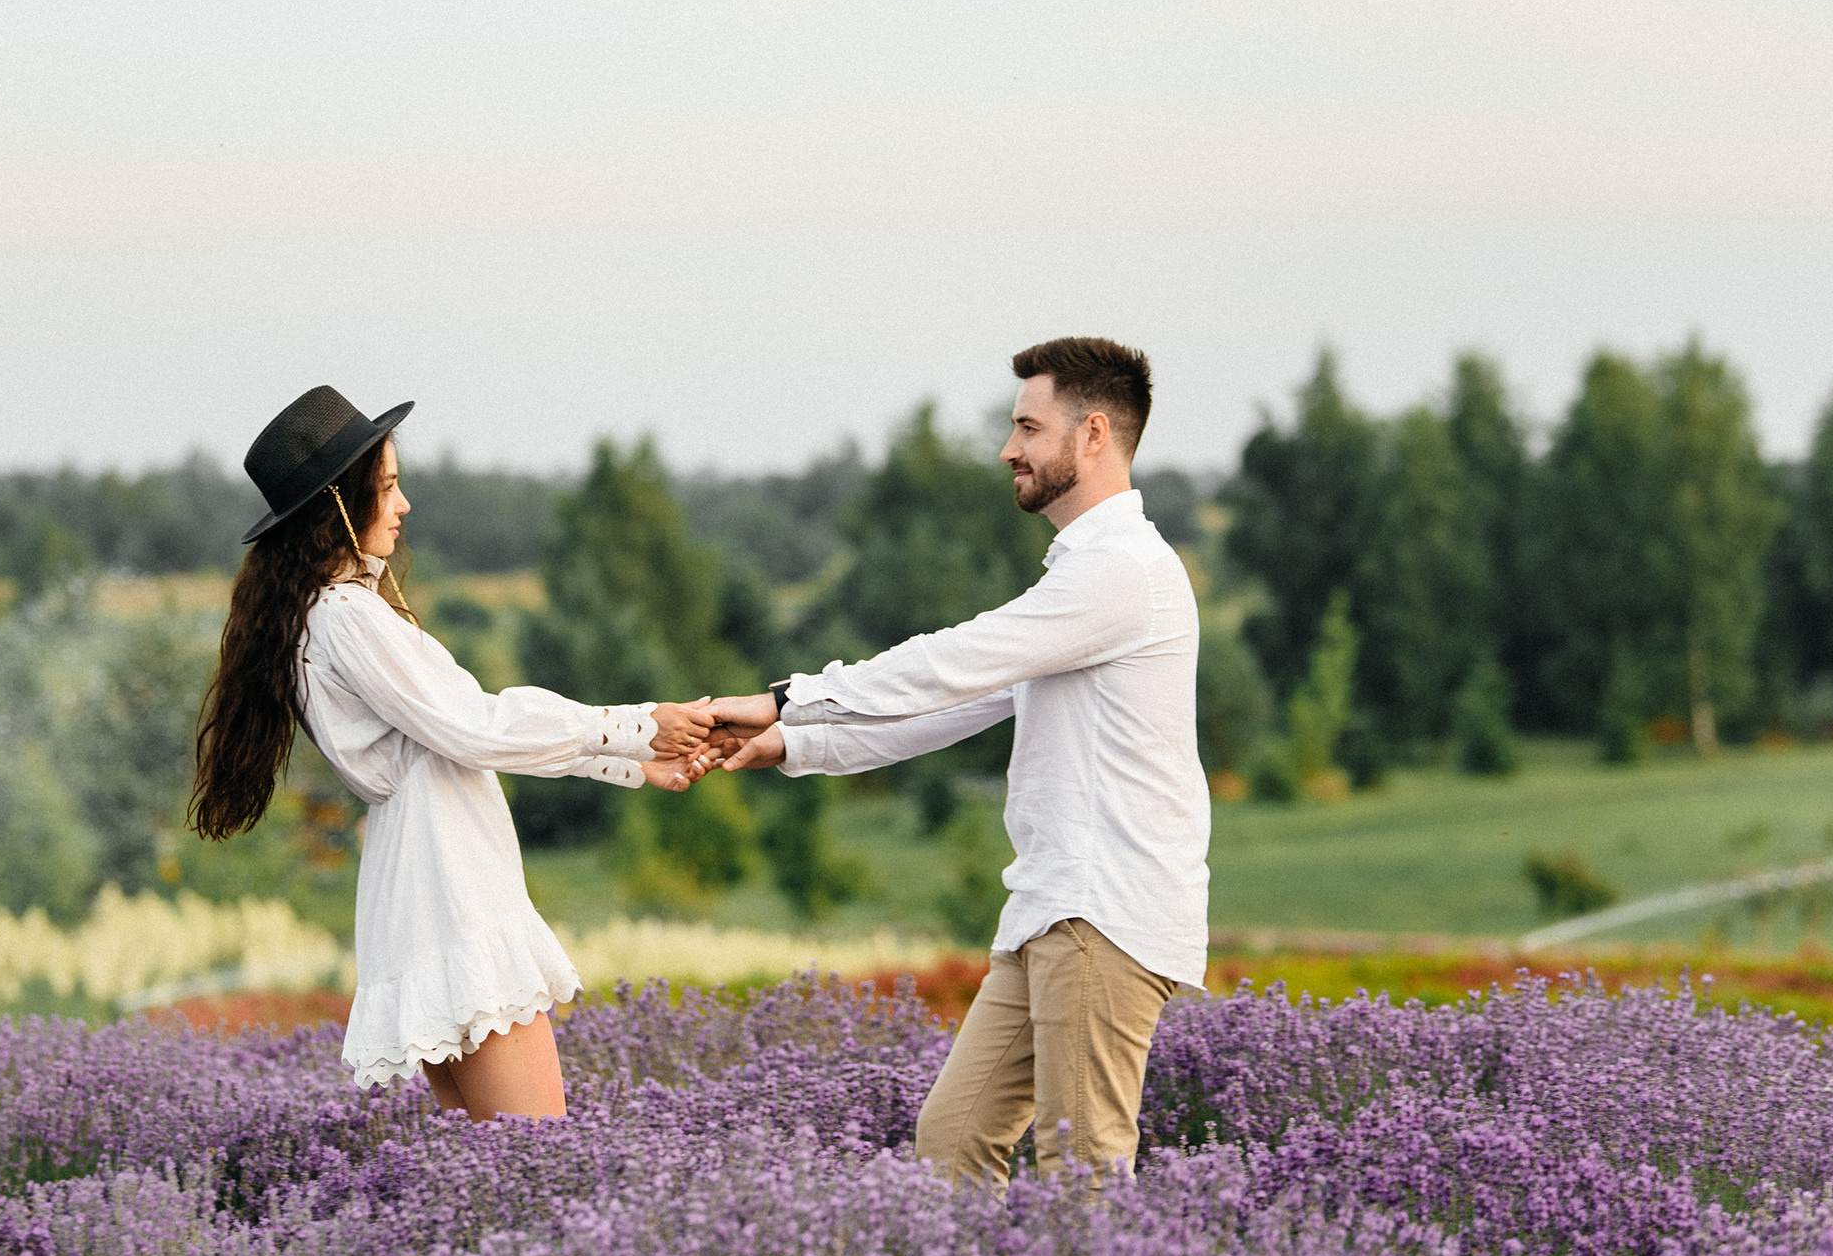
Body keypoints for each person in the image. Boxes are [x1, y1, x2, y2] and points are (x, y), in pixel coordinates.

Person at [697, 337, 1204, 1188]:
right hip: (1053, 909)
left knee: (1082, 1175)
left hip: (1103, 913)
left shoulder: (1123, 572)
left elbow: (951, 663)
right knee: (954, 1144)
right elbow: (954, 706)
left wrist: (789, 697)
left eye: (1027, 428)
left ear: (1092, 434)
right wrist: (793, 741)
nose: (1008, 449)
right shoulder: (1087, 576)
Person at [189, 384, 717, 1121]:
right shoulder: (345, 615)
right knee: (538, 1160)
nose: (403, 505)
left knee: (496, 1160)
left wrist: (632, 761)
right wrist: (636, 726)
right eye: (387, 487)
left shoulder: (323, 614)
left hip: (428, 881)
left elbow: (456, 741)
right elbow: (475, 728)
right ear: (338, 503)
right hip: (449, 886)